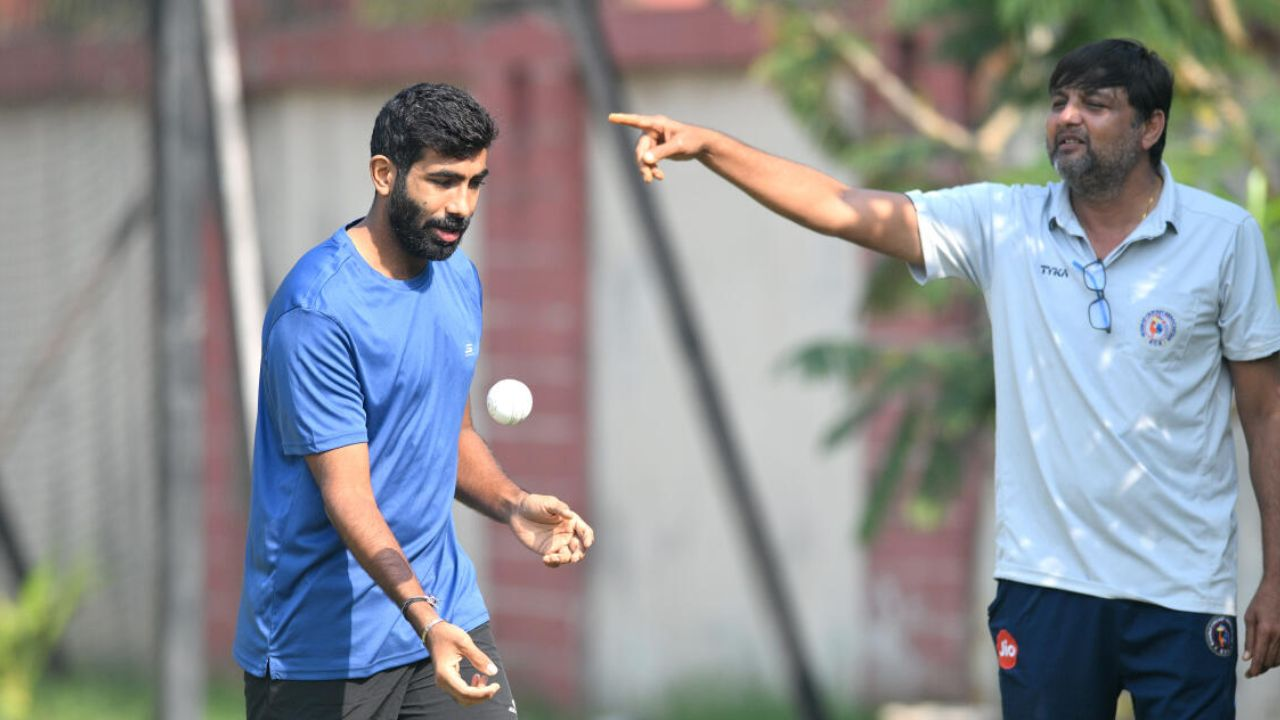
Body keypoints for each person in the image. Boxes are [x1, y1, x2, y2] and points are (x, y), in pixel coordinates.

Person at [611, 38, 1280, 718]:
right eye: (1058, 102)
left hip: (1184, 592)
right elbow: (843, 206)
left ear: (1150, 127)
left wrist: (1277, 574)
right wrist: (710, 147)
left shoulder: (1223, 239)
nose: (1067, 117)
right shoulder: (1005, 223)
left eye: (1095, 104)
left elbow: (1265, 414)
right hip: (1046, 585)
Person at [234, 82, 594, 720]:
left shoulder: (456, 276)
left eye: (476, 183)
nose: (461, 205)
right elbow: (347, 494)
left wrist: (514, 506)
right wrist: (424, 619)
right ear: (384, 174)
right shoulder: (318, 314)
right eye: (443, 181)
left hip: (445, 611)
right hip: (323, 648)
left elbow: (448, 436)